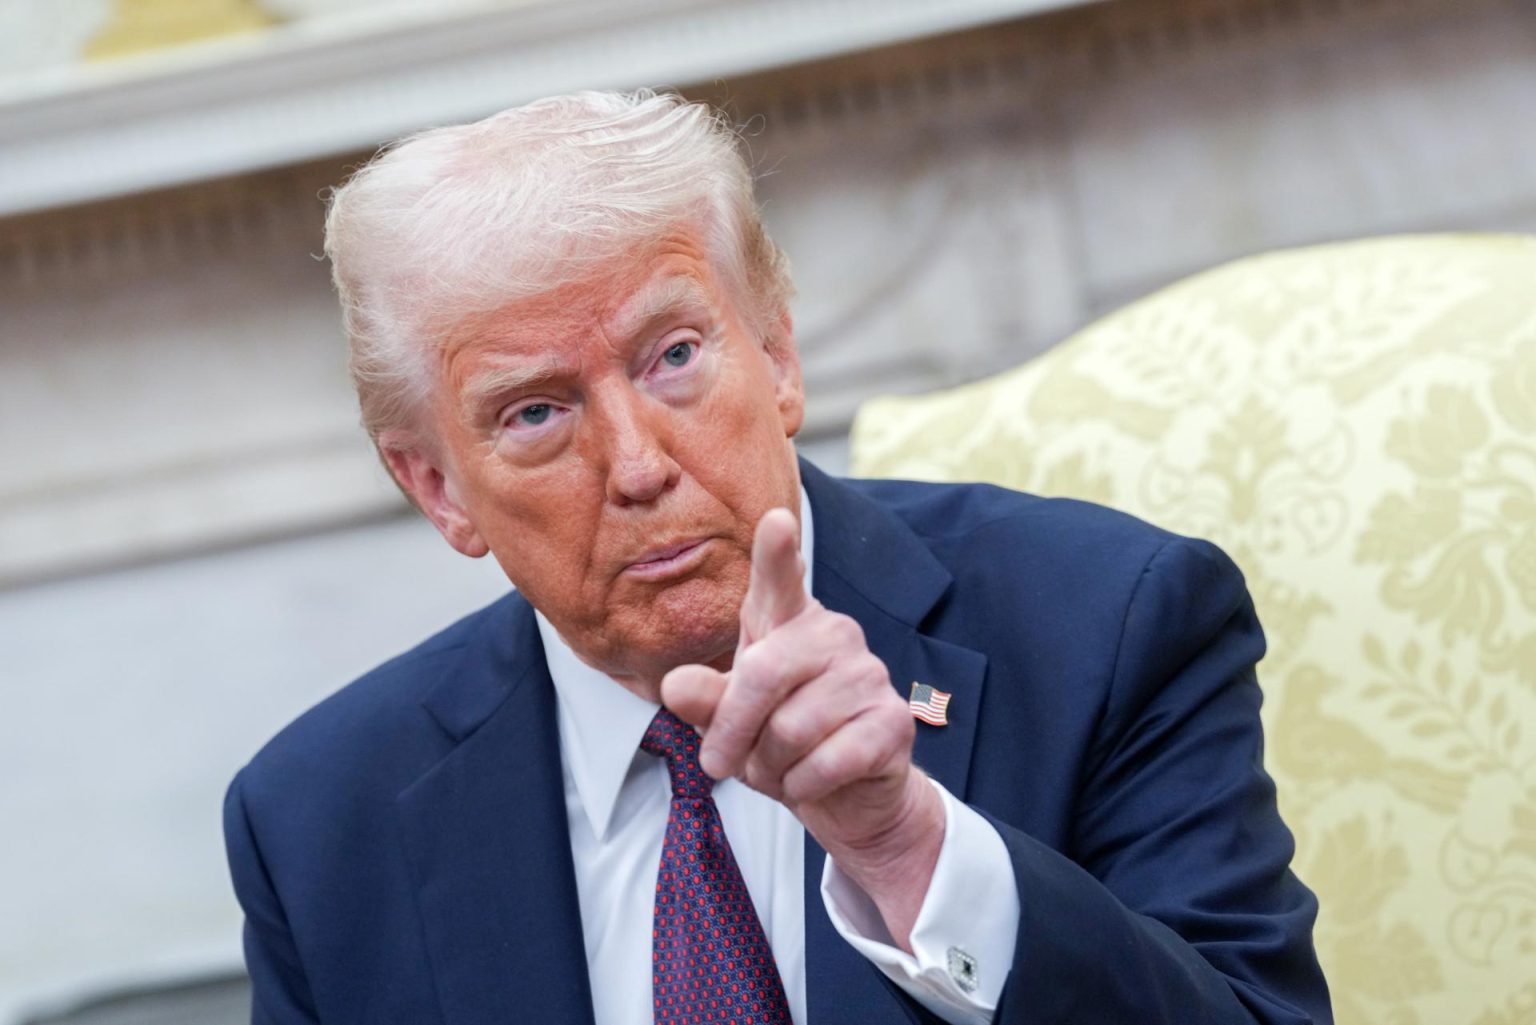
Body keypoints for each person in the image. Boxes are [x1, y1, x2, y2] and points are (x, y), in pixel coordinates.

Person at [223, 90, 1332, 1025]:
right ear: (437, 488)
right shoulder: (320, 824)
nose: (638, 464)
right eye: (532, 413)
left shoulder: (1104, 624)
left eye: (673, 356)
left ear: (780, 354)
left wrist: (908, 845)